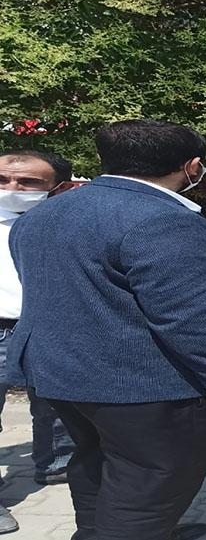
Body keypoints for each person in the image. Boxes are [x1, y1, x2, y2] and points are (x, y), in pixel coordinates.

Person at [7, 121, 206, 540]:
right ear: (192, 166)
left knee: (95, 464)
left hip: (62, 377)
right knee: (145, 489)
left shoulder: (43, 213)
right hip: (148, 387)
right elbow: (188, 318)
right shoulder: (165, 220)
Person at [0, 149, 77, 535]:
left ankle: (57, 464)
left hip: (51, 326)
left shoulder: (70, 222)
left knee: (56, 405)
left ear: (58, 187)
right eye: (3, 180)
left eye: (28, 182)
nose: (12, 188)